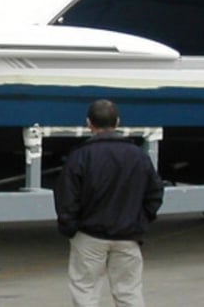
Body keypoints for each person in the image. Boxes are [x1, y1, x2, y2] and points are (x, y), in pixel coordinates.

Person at [54, 99, 164, 307]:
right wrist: (141, 221)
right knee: (129, 293)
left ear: (89, 123)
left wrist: (70, 228)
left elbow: (66, 197)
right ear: (118, 122)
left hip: (89, 235)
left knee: (85, 291)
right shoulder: (138, 156)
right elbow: (155, 192)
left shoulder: (79, 157)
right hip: (128, 235)